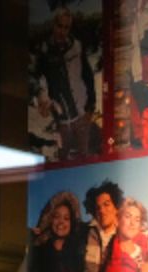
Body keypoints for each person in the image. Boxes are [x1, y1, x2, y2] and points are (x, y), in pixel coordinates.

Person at [32, 7, 97, 160]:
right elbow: (38, 79)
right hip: (62, 119)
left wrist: (91, 106)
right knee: (63, 156)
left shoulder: (77, 47)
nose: (62, 31)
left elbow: (88, 76)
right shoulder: (44, 52)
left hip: (81, 113)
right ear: (54, 25)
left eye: (66, 27)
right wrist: (41, 99)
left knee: (83, 154)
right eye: (59, 26)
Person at [26, 191, 84, 272]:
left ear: (72, 222)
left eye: (66, 218)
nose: (61, 222)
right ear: (49, 219)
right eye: (56, 216)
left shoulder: (77, 254)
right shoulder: (39, 250)